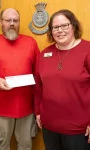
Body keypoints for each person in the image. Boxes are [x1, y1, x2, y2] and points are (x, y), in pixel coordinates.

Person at [0, 8, 40, 150]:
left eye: (15, 20)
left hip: (26, 106)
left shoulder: (30, 42)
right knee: (2, 145)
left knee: (25, 145)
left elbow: (38, 72)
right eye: (8, 20)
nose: (12, 23)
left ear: (19, 22)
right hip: (1, 106)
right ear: (1, 22)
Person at [34, 9, 90, 150]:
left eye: (64, 25)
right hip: (49, 126)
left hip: (78, 129)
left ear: (74, 26)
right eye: (55, 27)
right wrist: (38, 112)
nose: (60, 30)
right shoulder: (45, 53)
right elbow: (39, 86)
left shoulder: (87, 50)